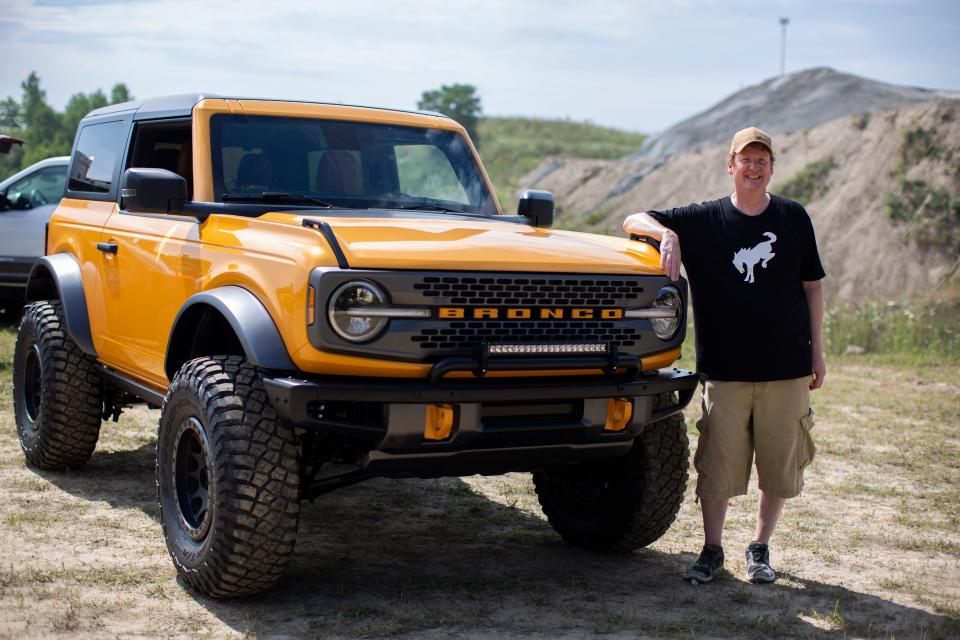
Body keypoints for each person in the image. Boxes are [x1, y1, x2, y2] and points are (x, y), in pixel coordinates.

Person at [622, 126, 826, 585]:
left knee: (778, 464)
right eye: (745, 160)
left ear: (771, 168)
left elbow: (812, 287)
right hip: (726, 371)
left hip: (787, 367)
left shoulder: (793, 217)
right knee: (717, 465)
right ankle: (712, 550)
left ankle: (760, 548)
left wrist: (818, 352)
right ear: (730, 166)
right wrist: (667, 237)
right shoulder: (703, 219)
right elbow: (634, 218)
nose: (754, 168)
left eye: (762, 161)